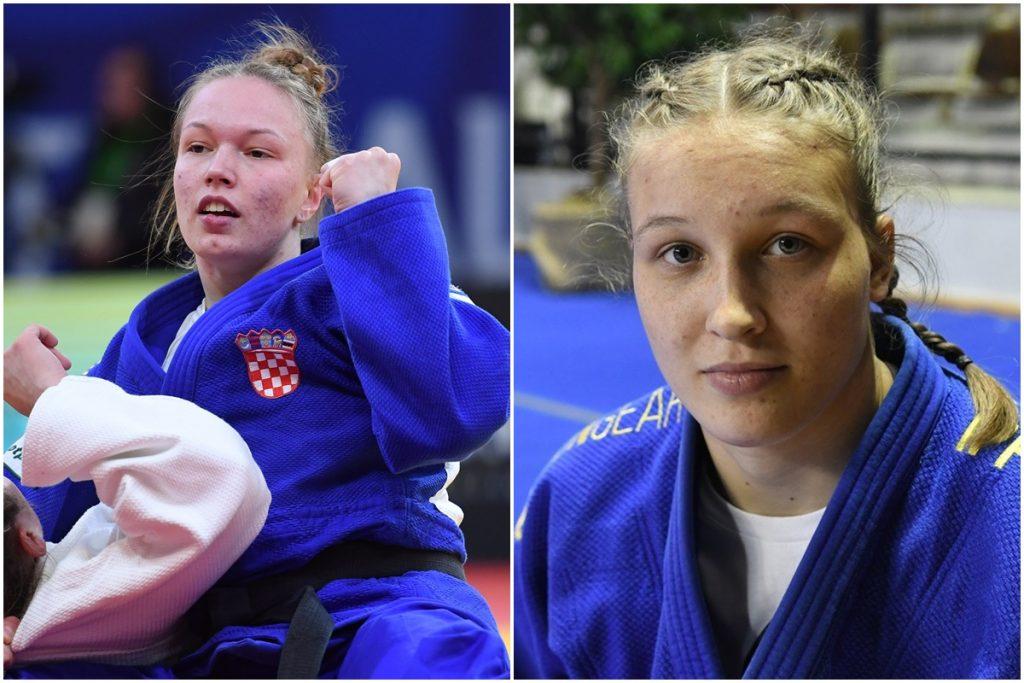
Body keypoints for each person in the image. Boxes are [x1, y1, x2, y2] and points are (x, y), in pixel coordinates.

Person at [7, 22, 510, 679]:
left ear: (312, 195)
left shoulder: (360, 281)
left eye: (257, 152)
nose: (219, 169)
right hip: (211, 643)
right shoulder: (144, 344)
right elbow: (28, 516)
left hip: (379, 612)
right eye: (198, 147)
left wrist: (376, 223)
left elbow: (447, 415)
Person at [515, 30, 1020, 679]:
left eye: (787, 246)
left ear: (878, 260)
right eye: (680, 253)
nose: (732, 313)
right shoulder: (577, 507)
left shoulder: (1005, 530)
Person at [3, 325, 270, 668]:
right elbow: (218, 474)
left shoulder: (52, 599)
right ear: (30, 538)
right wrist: (51, 398)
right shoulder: (80, 602)